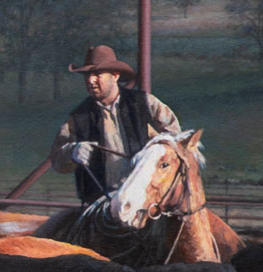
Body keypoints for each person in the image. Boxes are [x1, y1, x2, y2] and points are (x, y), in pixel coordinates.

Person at [49, 44, 184, 203]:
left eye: (97, 74)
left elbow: (176, 136)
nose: (90, 80)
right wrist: (72, 152)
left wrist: (156, 150)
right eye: (87, 75)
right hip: (99, 203)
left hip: (146, 199)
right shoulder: (78, 117)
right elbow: (57, 160)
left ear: (115, 76)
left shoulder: (144, 102)